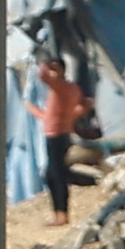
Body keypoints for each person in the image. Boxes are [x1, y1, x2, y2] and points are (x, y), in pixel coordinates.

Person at [33, 57, 86, 226]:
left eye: (54, 69)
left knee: (56, 174)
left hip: (56, 136)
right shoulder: (72, 88)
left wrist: (43, 62)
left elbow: (42, 76)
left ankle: (61, 214)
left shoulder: (61, 86)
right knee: (52, 174)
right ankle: (59, 213)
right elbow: (81, 107)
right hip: (60, 134)